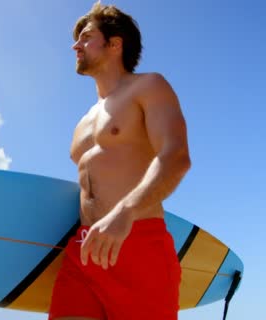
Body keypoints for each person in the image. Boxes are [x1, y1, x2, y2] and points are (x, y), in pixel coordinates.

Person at [48, 2, 191, 320]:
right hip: (83, 250)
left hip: (138, 243)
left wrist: (125, 212)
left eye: (86, 37)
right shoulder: (83, 120)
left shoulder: (148, 86)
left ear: (115, 44)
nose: (76, 45)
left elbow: (175, 157)